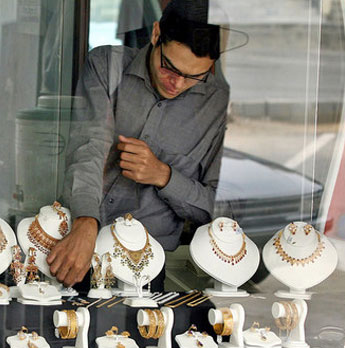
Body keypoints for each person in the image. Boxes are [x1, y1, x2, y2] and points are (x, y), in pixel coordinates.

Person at [48, 0, 229, 289]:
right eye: (170, 67)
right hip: (72, 248)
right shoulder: (107, 66)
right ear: (156, 34)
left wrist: (164, 177)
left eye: (195, 76)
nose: (177, 84)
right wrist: (86, 221)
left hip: (145, 272)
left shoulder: (218, 105)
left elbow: (219, 209)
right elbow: (89, 147)